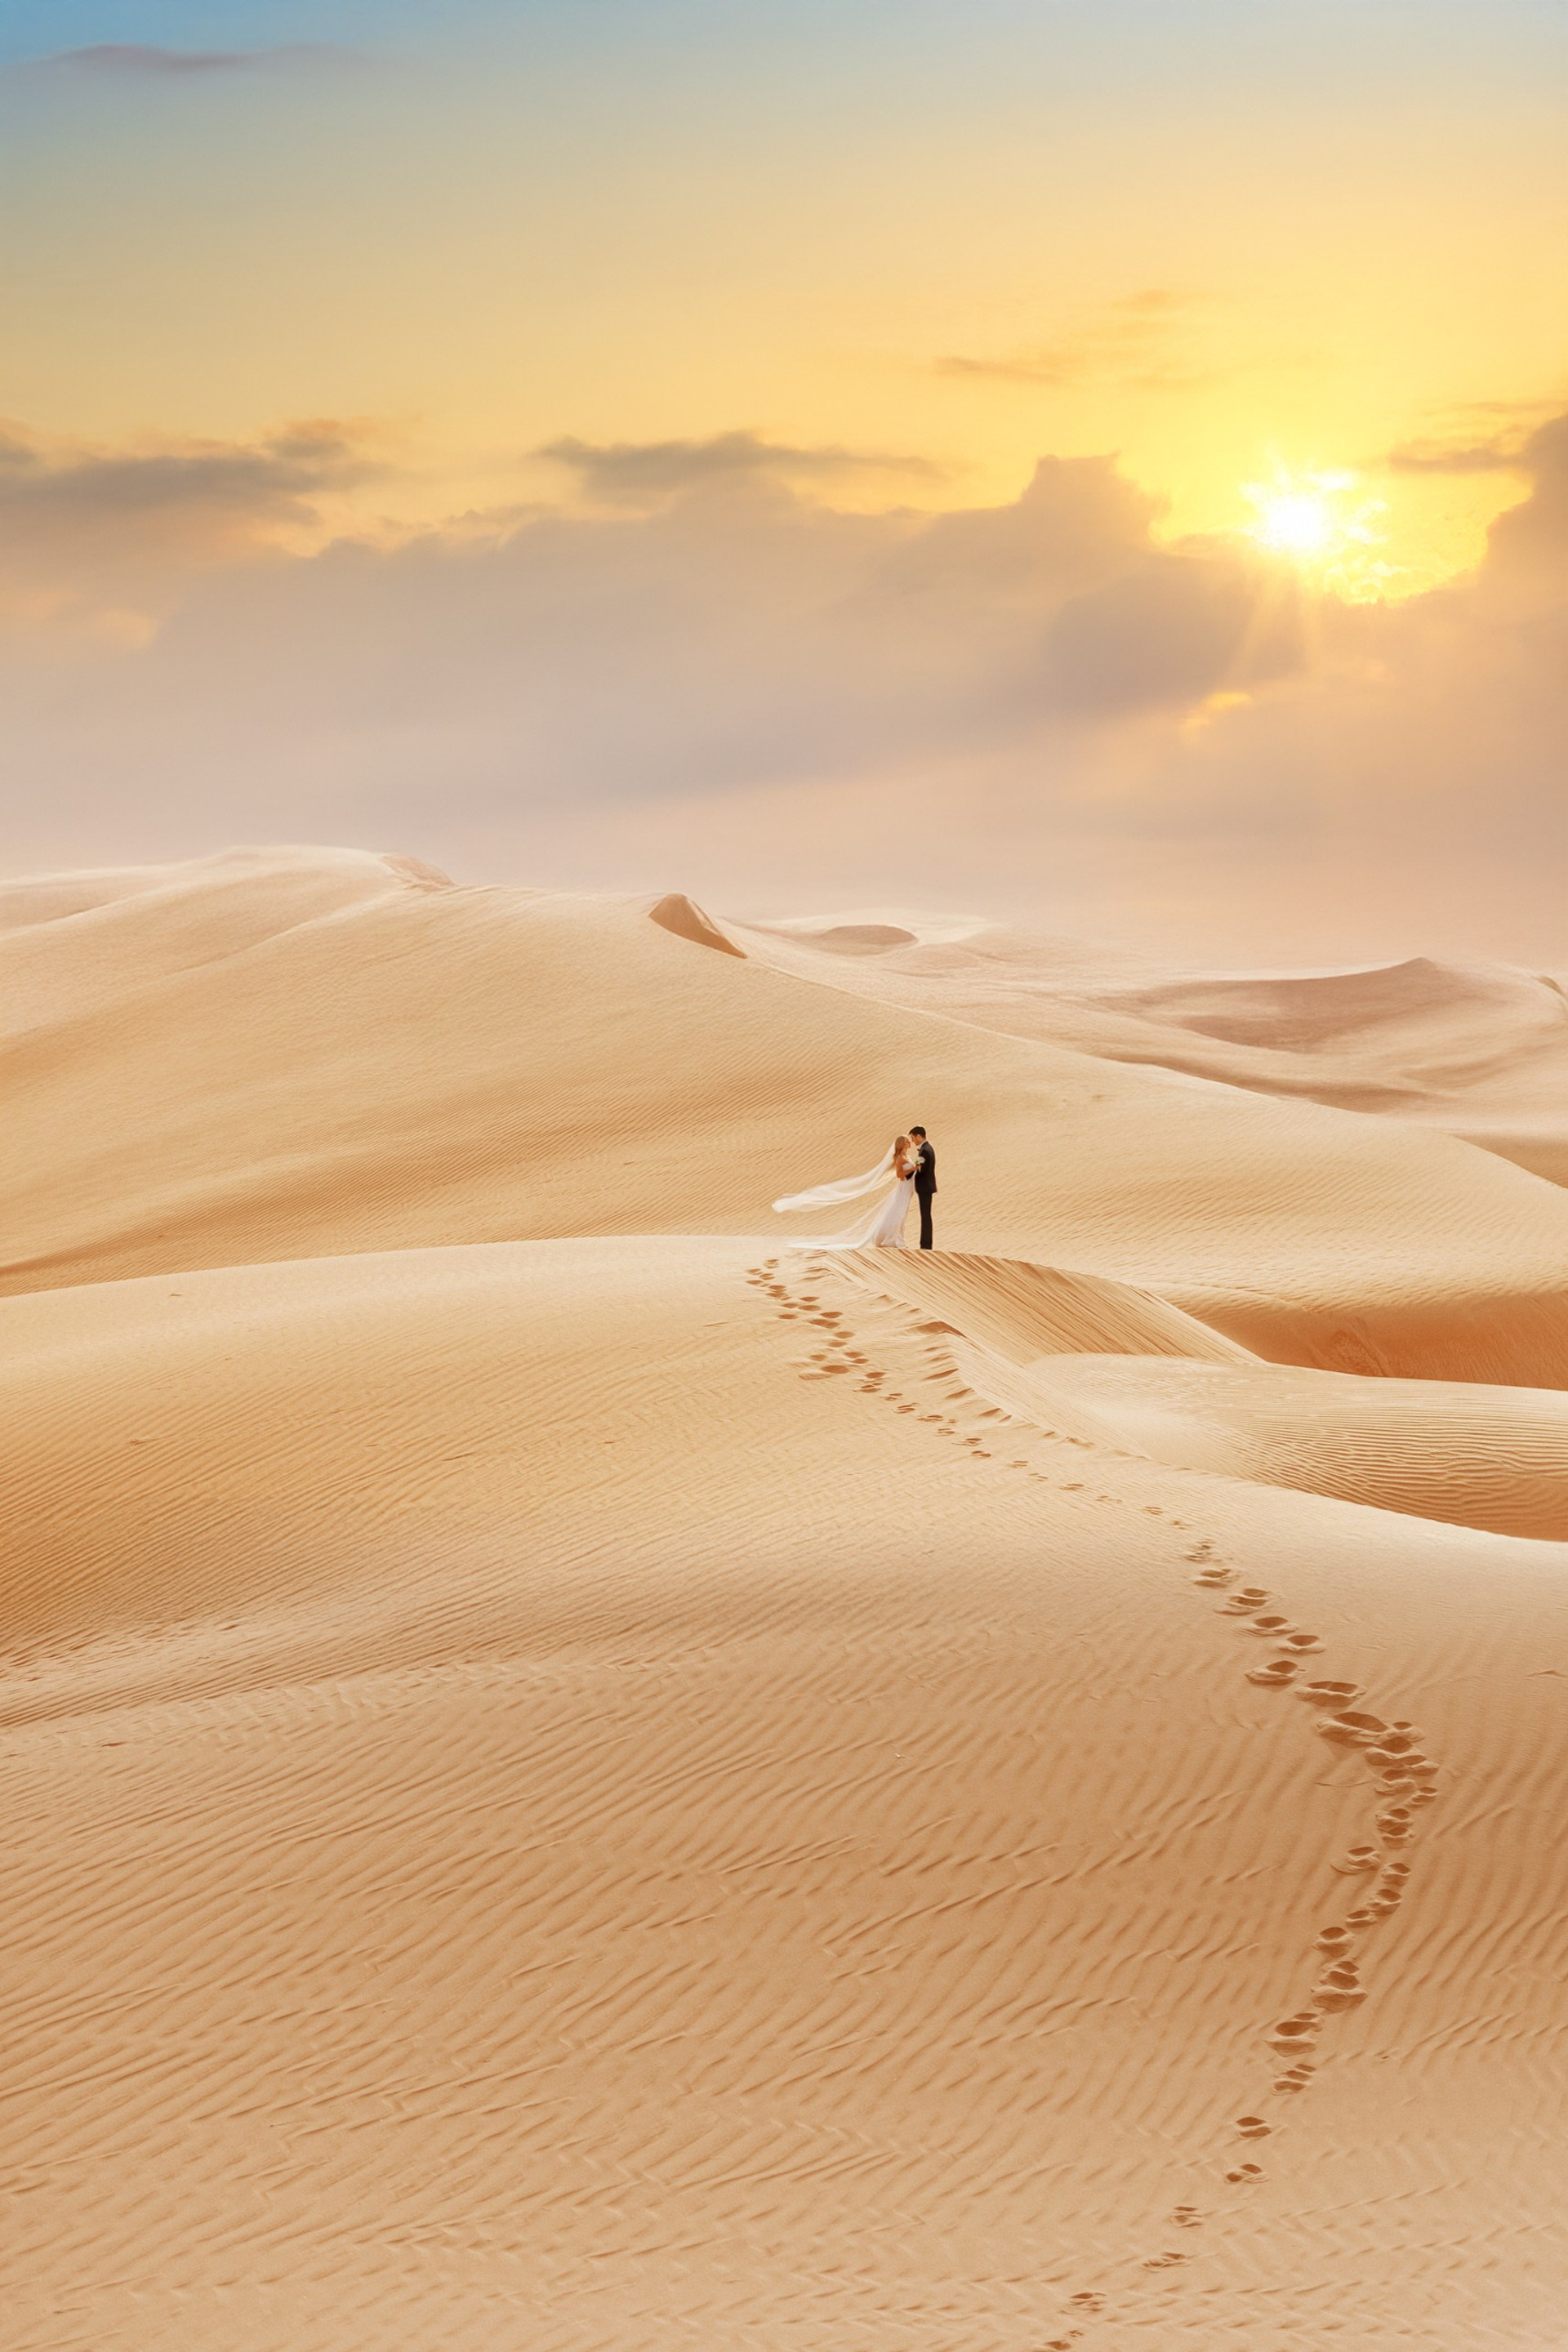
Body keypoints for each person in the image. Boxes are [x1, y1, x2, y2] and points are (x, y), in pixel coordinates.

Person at [773, 1134, 919, 1248]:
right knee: (899, 1213)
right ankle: (892, 1239)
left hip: (907, 1189)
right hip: (903, 1188)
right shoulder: (900, 1157)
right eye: (907, 1141)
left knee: (901, 1213)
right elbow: (900, 1176)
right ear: (902, 1144)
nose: (910, 1142)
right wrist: (914, 1168)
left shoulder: (905, 1156)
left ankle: (896, 1238)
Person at [909, 1125, 937, 1250]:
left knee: (925, 1216)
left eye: (914, 1138)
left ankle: (926, 1245)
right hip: (926, 1187)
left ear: (919, 1136)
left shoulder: (925, 1150)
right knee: (926, 1215)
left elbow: (921, 1169)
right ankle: (925, 1243)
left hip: (925, 1187)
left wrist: (909, 1174)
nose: (913, 1141)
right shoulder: (926, 1148)